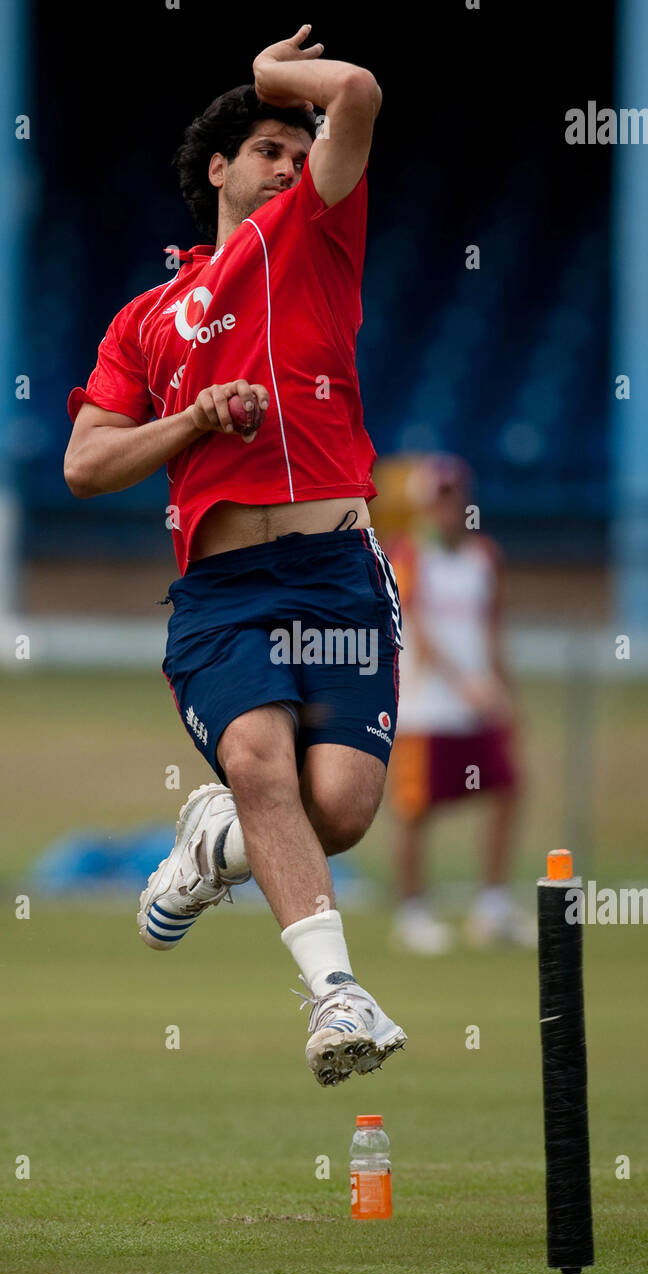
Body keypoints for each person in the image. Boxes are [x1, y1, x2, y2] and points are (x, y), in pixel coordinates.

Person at [64, 25, 406, 1086]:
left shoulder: (319, 234)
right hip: (222, 589)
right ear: (218, 168)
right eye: (268, 148)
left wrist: (274, 79)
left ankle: (217, 846)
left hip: (340, 576)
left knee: (338, 807)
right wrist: (196, 422)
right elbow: (87, 463)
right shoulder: (147, 319)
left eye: (301, 157)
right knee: (261, 761)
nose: (292, 169)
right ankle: (335, 993)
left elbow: (355, 89)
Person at [387, 454, 532, 952]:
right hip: (426, 710)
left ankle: (491, 905)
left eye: (455, 498)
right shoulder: (408, 555)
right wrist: (465, 683)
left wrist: (503, 690)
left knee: (508, 790)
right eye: (439, 499)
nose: (448, 509)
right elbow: (419, 628)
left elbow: (492, 629)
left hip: (477, 705)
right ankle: (412, 912)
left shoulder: (484, 556)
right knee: (414, 810)